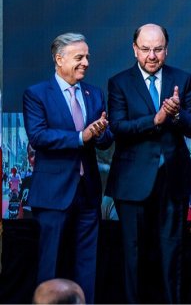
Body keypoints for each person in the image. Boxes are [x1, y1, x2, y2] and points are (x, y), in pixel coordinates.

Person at [105, 24, 191, 303]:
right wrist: (156, 119)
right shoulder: (119, 82)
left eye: (158, 49)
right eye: (145, 49)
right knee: (133, 255)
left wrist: (176, 115)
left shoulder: (182, 79)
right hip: (132, 183)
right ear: (134, 50)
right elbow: (118, 127)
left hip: (173, 182)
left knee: (173, 253)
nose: (151, 55)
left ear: (166, 50)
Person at [23, 32, 113, 303]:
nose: (86, 62)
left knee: (87, 265)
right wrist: (79, 137)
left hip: (87, 194)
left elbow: (106, 139)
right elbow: (38, 136)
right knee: (50, 265)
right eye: (79, 57)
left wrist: (99, 133)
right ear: (59, 60)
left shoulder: (94, 93)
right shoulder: (37, 94)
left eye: (87, 56)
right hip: (52, 196)